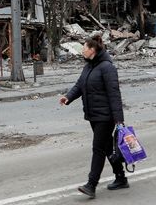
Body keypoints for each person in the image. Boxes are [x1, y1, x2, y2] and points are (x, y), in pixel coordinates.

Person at [59, 34, 127, 199]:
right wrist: (68, 97)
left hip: (106, 117)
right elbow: (80, 85)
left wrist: (118, 120)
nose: (82, 50)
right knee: (105, 148)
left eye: (84, 47)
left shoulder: (107, 67)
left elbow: (114, 95)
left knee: (97, 148)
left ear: (92, 50)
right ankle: (121, 177)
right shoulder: (89, 67)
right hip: (93, 115)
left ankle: (91, 185)